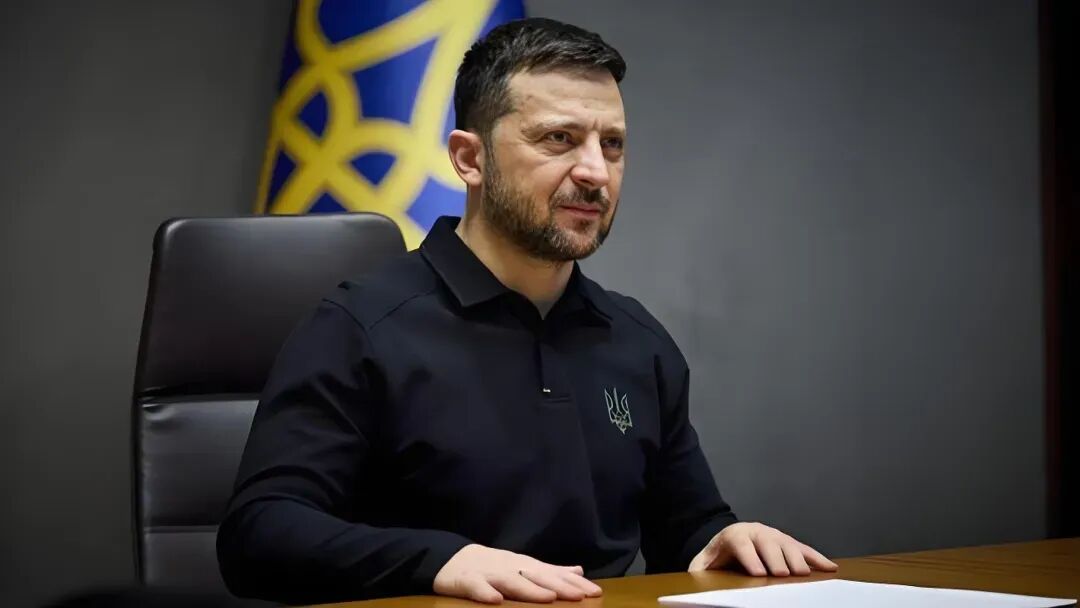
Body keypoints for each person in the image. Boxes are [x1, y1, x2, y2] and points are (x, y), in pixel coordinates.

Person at [217, 17, 838, 606]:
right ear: (470, 159)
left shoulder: (637, 341)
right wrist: (441, 562)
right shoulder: (361, 326)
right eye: (558, 139)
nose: (595, 172)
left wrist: (722, 539)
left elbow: (686, 527)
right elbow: (259, 534)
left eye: (613, 145)